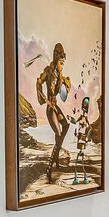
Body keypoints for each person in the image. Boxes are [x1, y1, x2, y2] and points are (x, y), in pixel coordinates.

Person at [36, 43, 71, 182]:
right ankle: (49, 167)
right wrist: (44, 99)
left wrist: (66, 84)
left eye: (63, 63)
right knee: (58, 133)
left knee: (66, 125)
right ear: (56, 61)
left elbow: (63, 88)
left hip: (56, 105)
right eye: (61, 63)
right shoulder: (48, 71)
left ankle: (56, 160)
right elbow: (38, 83)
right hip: (50, 108)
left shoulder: (60, 75)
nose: (62, 66)